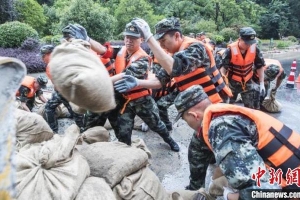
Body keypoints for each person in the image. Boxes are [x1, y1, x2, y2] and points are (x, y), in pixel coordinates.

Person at [114, 17, 232, 189]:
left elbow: (176, 67)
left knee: (219, 151)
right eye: (158, 42)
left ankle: (223, 184)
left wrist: (149, 39)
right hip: (202, 111)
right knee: (198, 152)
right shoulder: (170, 56)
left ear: (177, 36)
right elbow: (161, 81)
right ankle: (195, 188)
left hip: (218, 108)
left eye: (163, 41)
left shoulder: (196, 48)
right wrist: (137, 82)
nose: (161, 46)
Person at [63, 21, 180, 152]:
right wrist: (87, 39)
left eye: (133, 38)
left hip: (141, 100)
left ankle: (169, 140)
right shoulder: (122, 51)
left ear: (141, 39)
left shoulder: (143, 59)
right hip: (125, 102)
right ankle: (126, 152)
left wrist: (96, 83)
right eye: (127, 37)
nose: (129, 40)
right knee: (123, 133)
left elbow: (125, 76)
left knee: (156, 124)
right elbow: (104, 50)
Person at [174, 85, 300, 199]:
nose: (188, 125)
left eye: (185, 120)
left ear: (194, 115)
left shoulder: (222, 127)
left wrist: (229, 196)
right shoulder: (225, 114)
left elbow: (263, 193)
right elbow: (232, 158)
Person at [40, 44, 85, 133]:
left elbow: (58, 84)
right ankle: (80, 127)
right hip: (71, 90)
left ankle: (81, 130)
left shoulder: (51, 65)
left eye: (43, 56)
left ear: (48, 54)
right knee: (72, 110)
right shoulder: (63, 59)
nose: (42, 58)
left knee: (51, 108)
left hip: (66, 91)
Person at [219, 27, 265, 108]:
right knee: (227, 107)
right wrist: (223, 85)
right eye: (246, 43)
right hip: (232, 82)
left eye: (251, 43)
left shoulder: (255, 49)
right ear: (239, 39)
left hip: (248, 81)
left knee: (252, 108)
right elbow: (223, 69)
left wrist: (262, 83)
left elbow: (259, 66)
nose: (249, 45)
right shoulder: (230, 51)